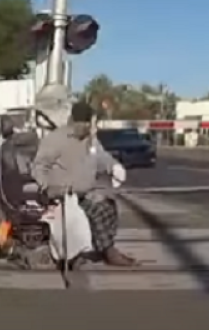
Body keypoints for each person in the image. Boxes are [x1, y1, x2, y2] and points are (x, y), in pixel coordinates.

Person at [31, 101, 136, 266]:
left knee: (108, 205)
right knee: (99, 210)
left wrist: (113, 166)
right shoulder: (57, 139)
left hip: (84, 193)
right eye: (90, 123)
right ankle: (106, 252)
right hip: (63, 195)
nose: (92, 127)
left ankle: (105, 248)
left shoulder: (90, 140)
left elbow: (100, 156)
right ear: (81, 122)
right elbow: (39, 166)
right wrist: (46, 187)